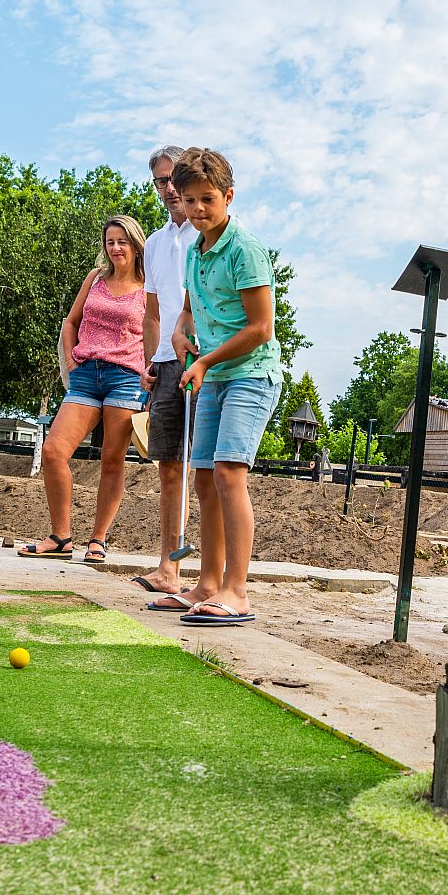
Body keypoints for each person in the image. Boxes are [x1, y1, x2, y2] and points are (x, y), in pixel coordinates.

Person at [166, 148, 281, 625]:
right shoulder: (195, 251)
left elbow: (261, 328)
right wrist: (179, 333)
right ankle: (207, 585)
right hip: (213, 376)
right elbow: (191, 311)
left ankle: (237, 590)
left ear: (228, 196)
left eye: (207, 199)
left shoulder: (245, 250)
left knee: (230, 472)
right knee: (205, 479)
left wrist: (206, 359)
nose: (196, 210)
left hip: (251, 375)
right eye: (188, 200)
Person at [20, 215, 151, 565]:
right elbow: (71, 323)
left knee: (111, 460)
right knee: (53, 451)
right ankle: (61, 536)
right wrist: (71, 361)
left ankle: (98, 539)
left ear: (136, 244)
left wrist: (150, 374)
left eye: (122, 241)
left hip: (125, 377)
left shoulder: (148, 286)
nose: (116, 247)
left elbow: (154, 331)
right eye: (110, 241)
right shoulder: (95, 278)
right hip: (85, 375)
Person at [132, 146, 199, 599]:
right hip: (165, 361)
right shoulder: (154, 243)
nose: (169, 188)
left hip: (203, 356)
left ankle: (208, 573)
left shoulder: (207, 232)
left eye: (174, 178)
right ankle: (168, 568)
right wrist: (148, 361)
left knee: (206, 467)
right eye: (160, 181)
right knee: (169, 466)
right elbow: (151, 310)